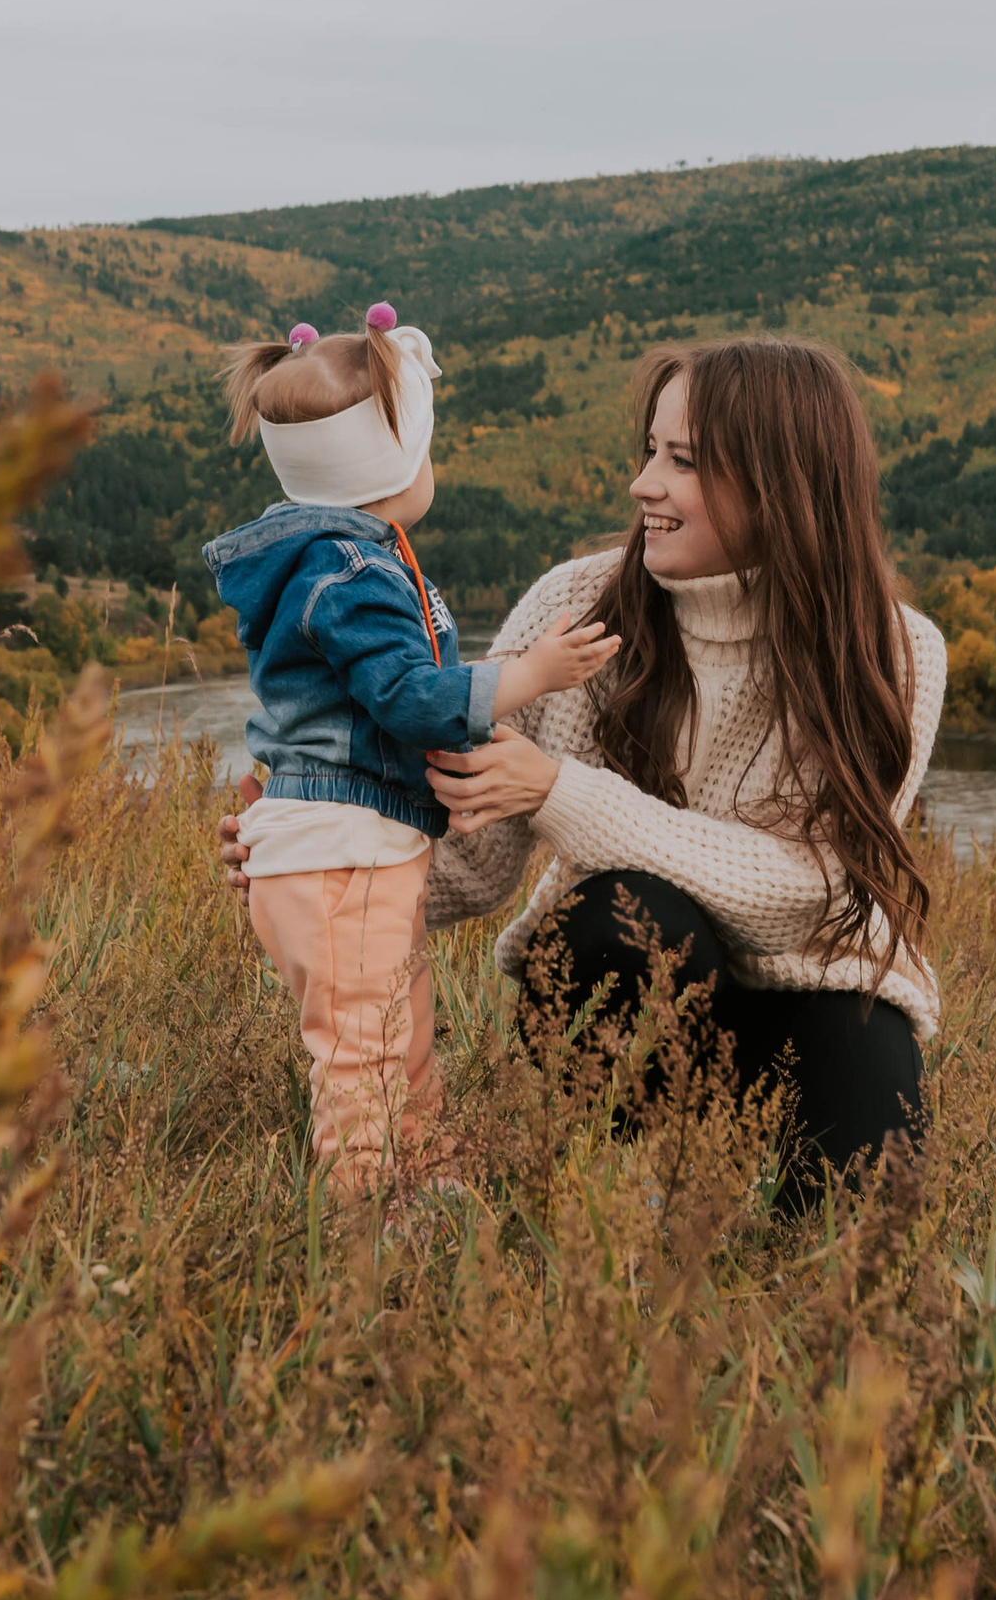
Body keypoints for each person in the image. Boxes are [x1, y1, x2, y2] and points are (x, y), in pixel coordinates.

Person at [421, 338, 946, 1211]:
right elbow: (471, 864)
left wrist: (563, 792)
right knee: (637, 917)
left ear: (781, 483)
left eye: (684, 462)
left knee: (867, 1230)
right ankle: (603, 1197)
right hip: (628, 980)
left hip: (815, 990)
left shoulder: (892, 652)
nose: (643, 485)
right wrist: (311, 863)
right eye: (649, 451)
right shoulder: (572, 607)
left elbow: (808, 890)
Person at [203, 305, 618, 1200]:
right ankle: (369, 1231)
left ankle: (425, 1190)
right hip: (345, 853)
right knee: (362, 1059)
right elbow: (412, 700)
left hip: (346, 852)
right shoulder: (352, 575)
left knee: (400, 1039)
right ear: (392, 465)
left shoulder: (335, 559)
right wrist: (530, 672)